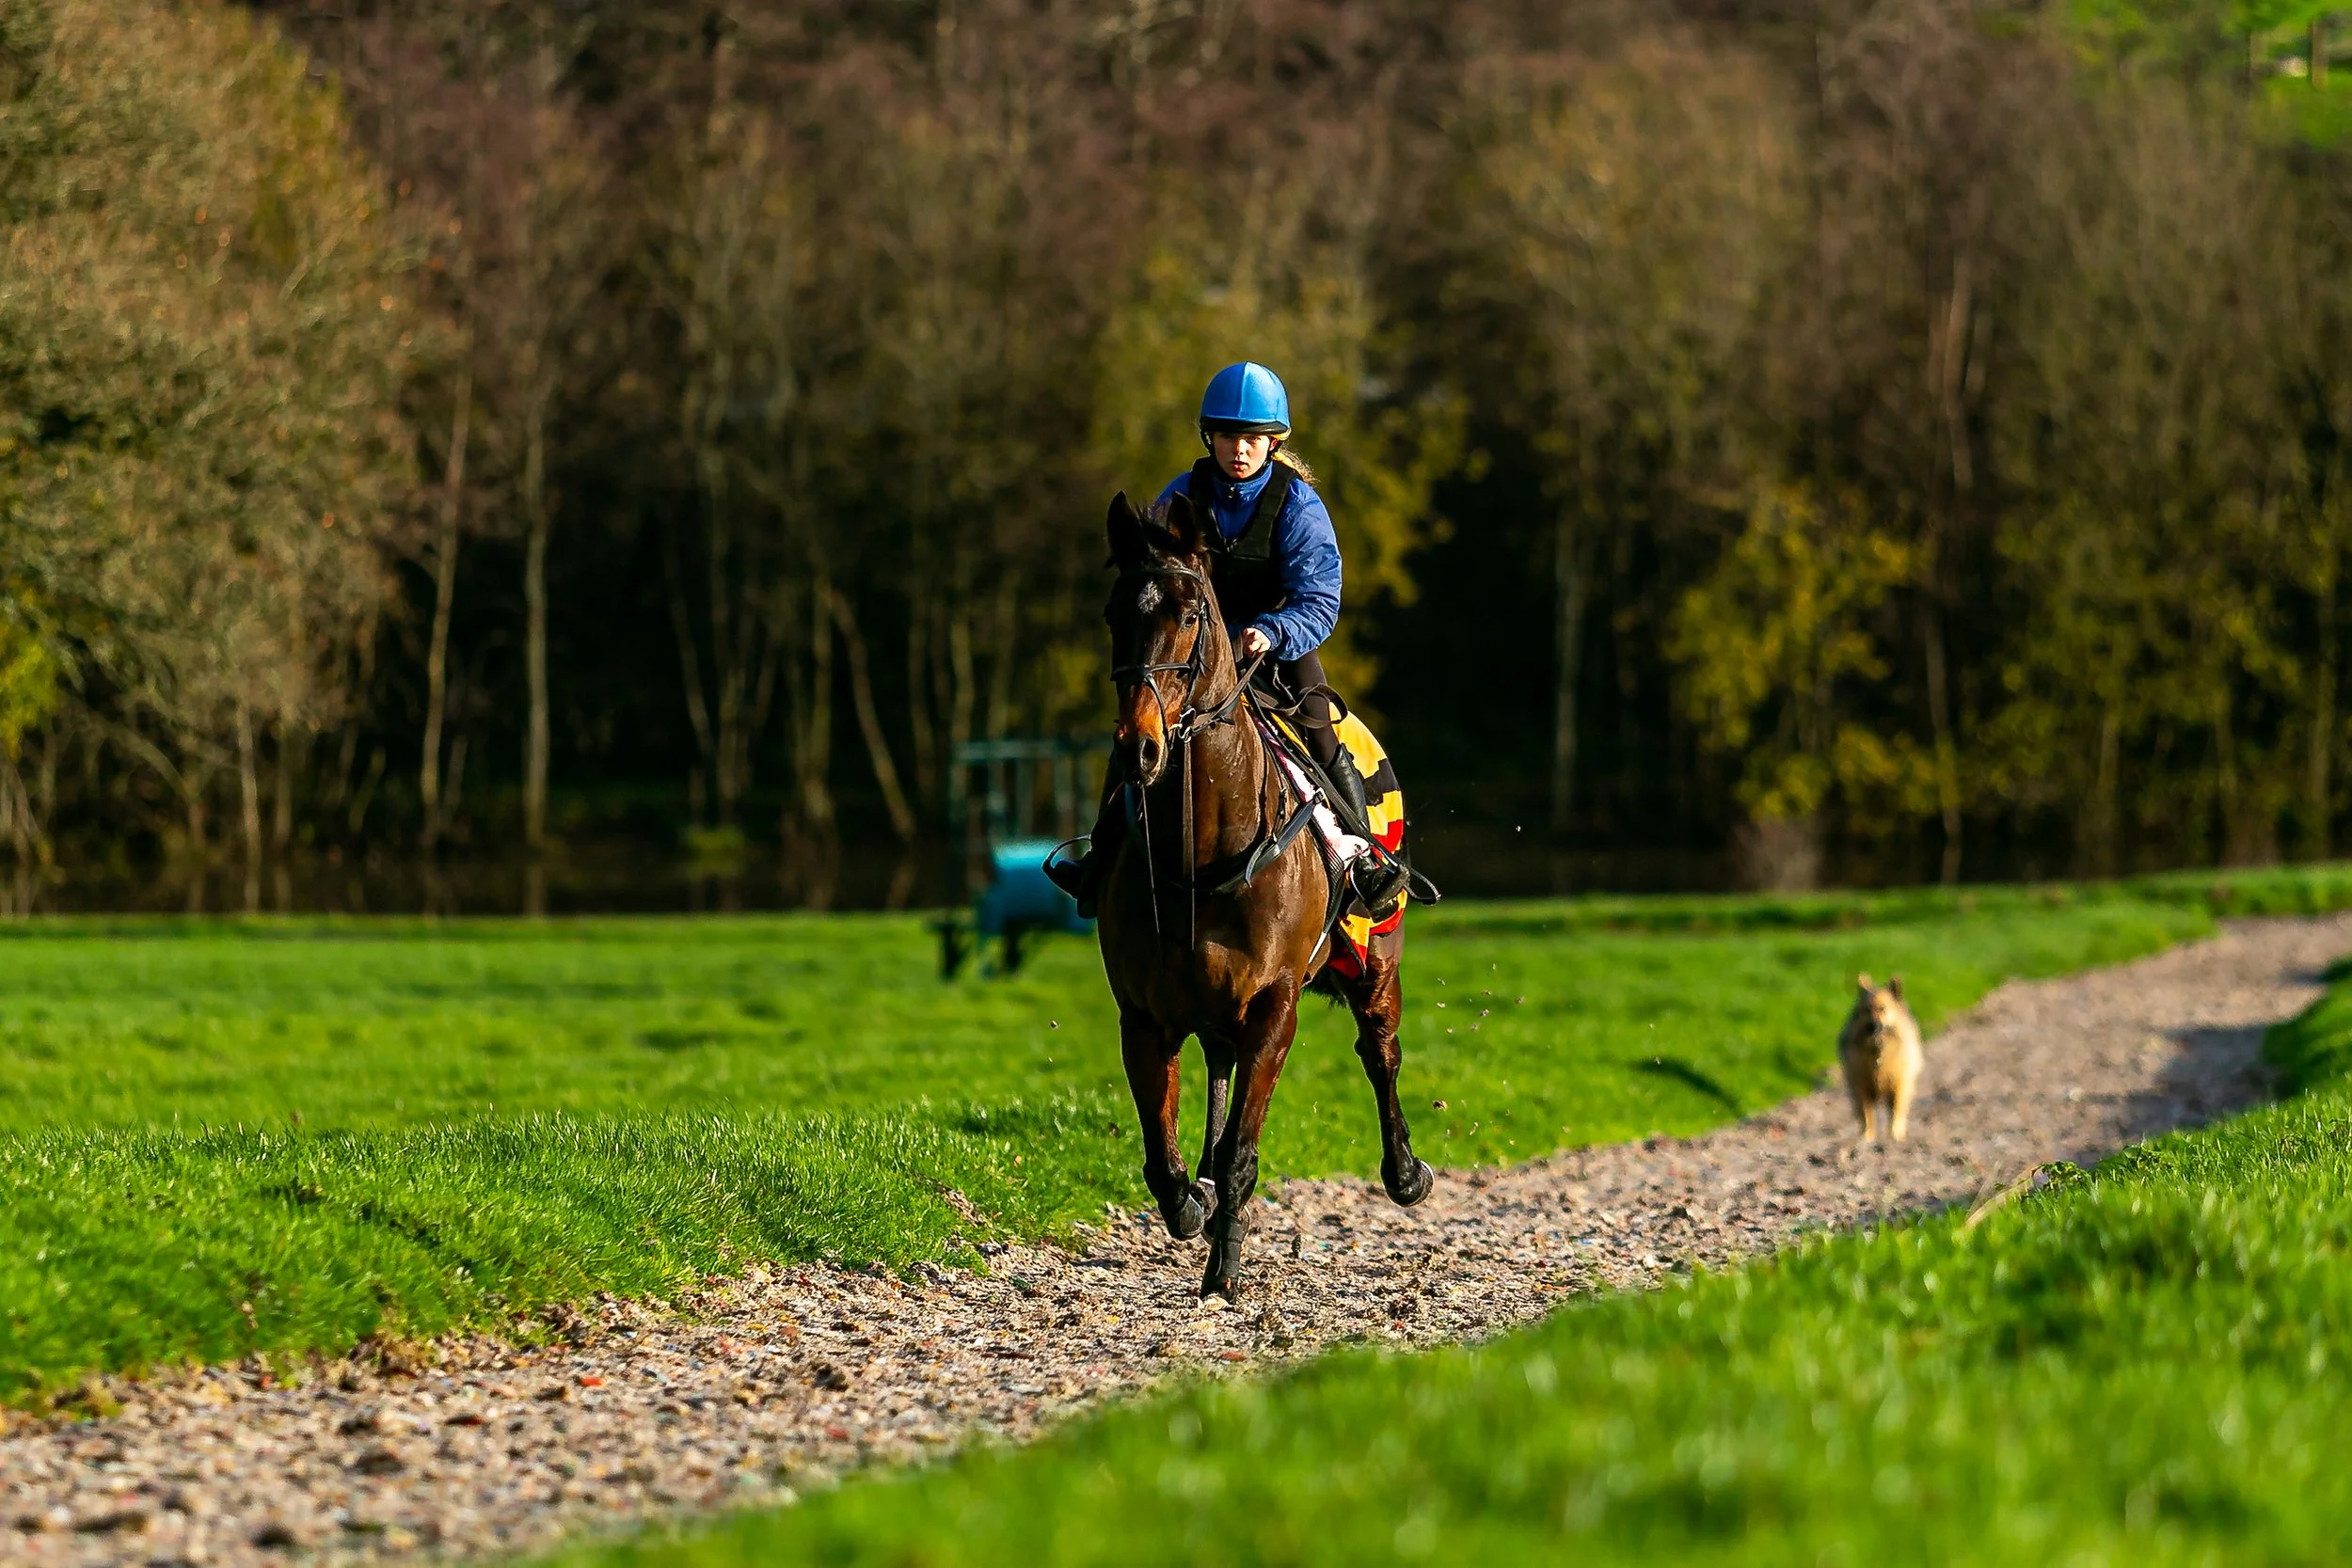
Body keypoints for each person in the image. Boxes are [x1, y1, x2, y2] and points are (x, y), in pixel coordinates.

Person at [1050, 361, 1407, 917]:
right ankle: (1100, 857)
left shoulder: (1298, 506)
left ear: (1273, 443)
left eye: (1252, 438)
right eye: (1227, 436)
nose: (1239, 449)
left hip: (1277, 652)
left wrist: (1271, 631)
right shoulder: (1178, 499)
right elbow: (1155, 584)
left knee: (1321, 730)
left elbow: (1321, 599)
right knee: (1136, 731)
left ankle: (1360, 857)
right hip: (1192, 657)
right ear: (1208, 438)